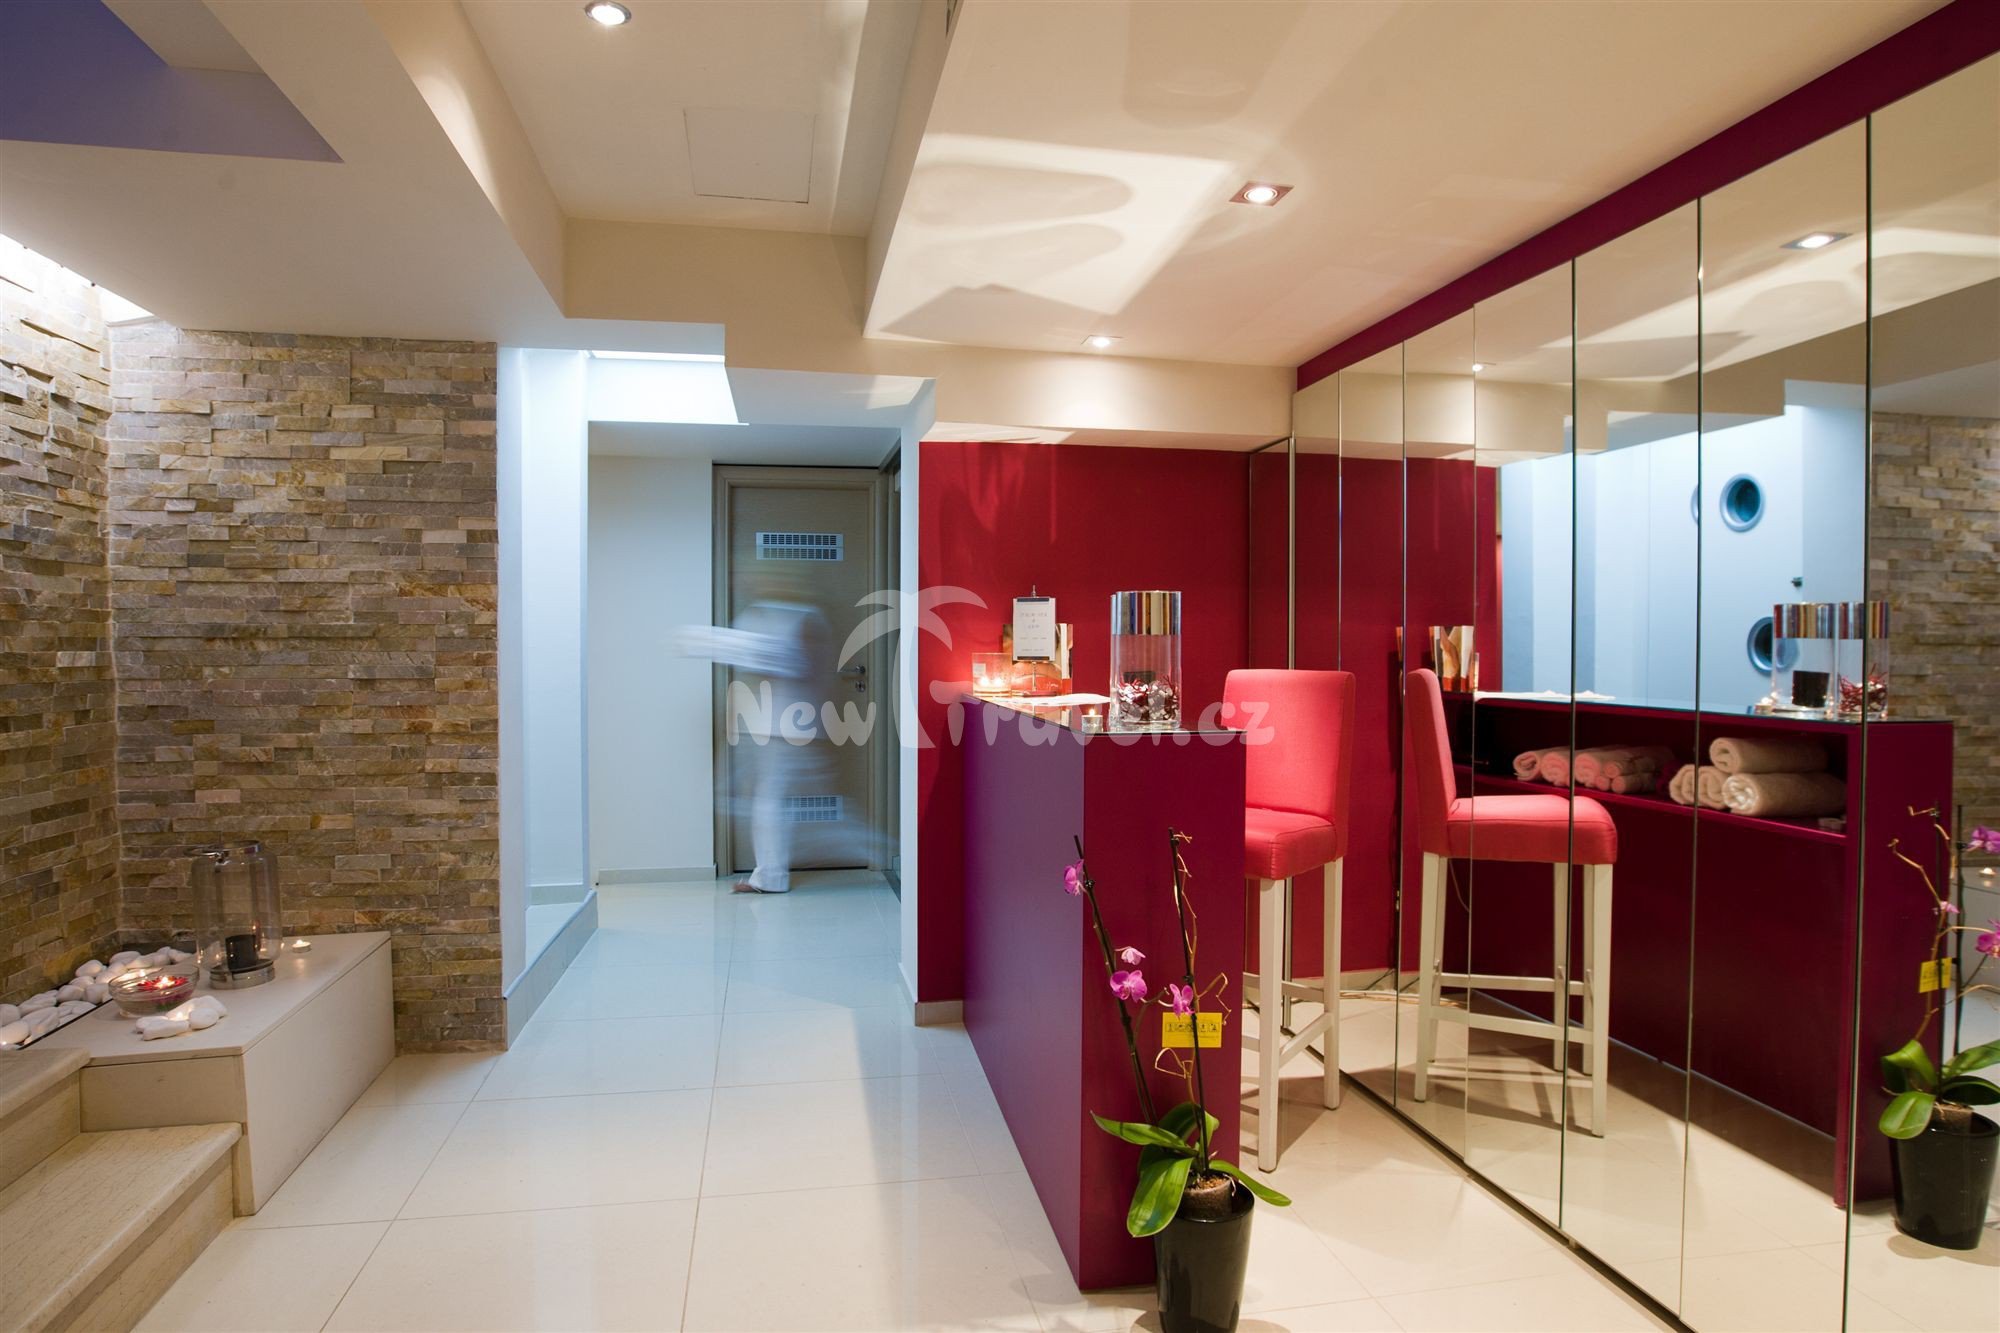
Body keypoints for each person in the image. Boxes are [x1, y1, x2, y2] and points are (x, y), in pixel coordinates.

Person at [673, 575, 833, 894]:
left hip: (785, 729)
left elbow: (791, 663)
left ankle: (773, 877)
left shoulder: (803, 618)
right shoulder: (771, 615)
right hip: (772, 727)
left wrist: (701, 641)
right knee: (765, 799)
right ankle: (770, 875)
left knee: (769, 801)